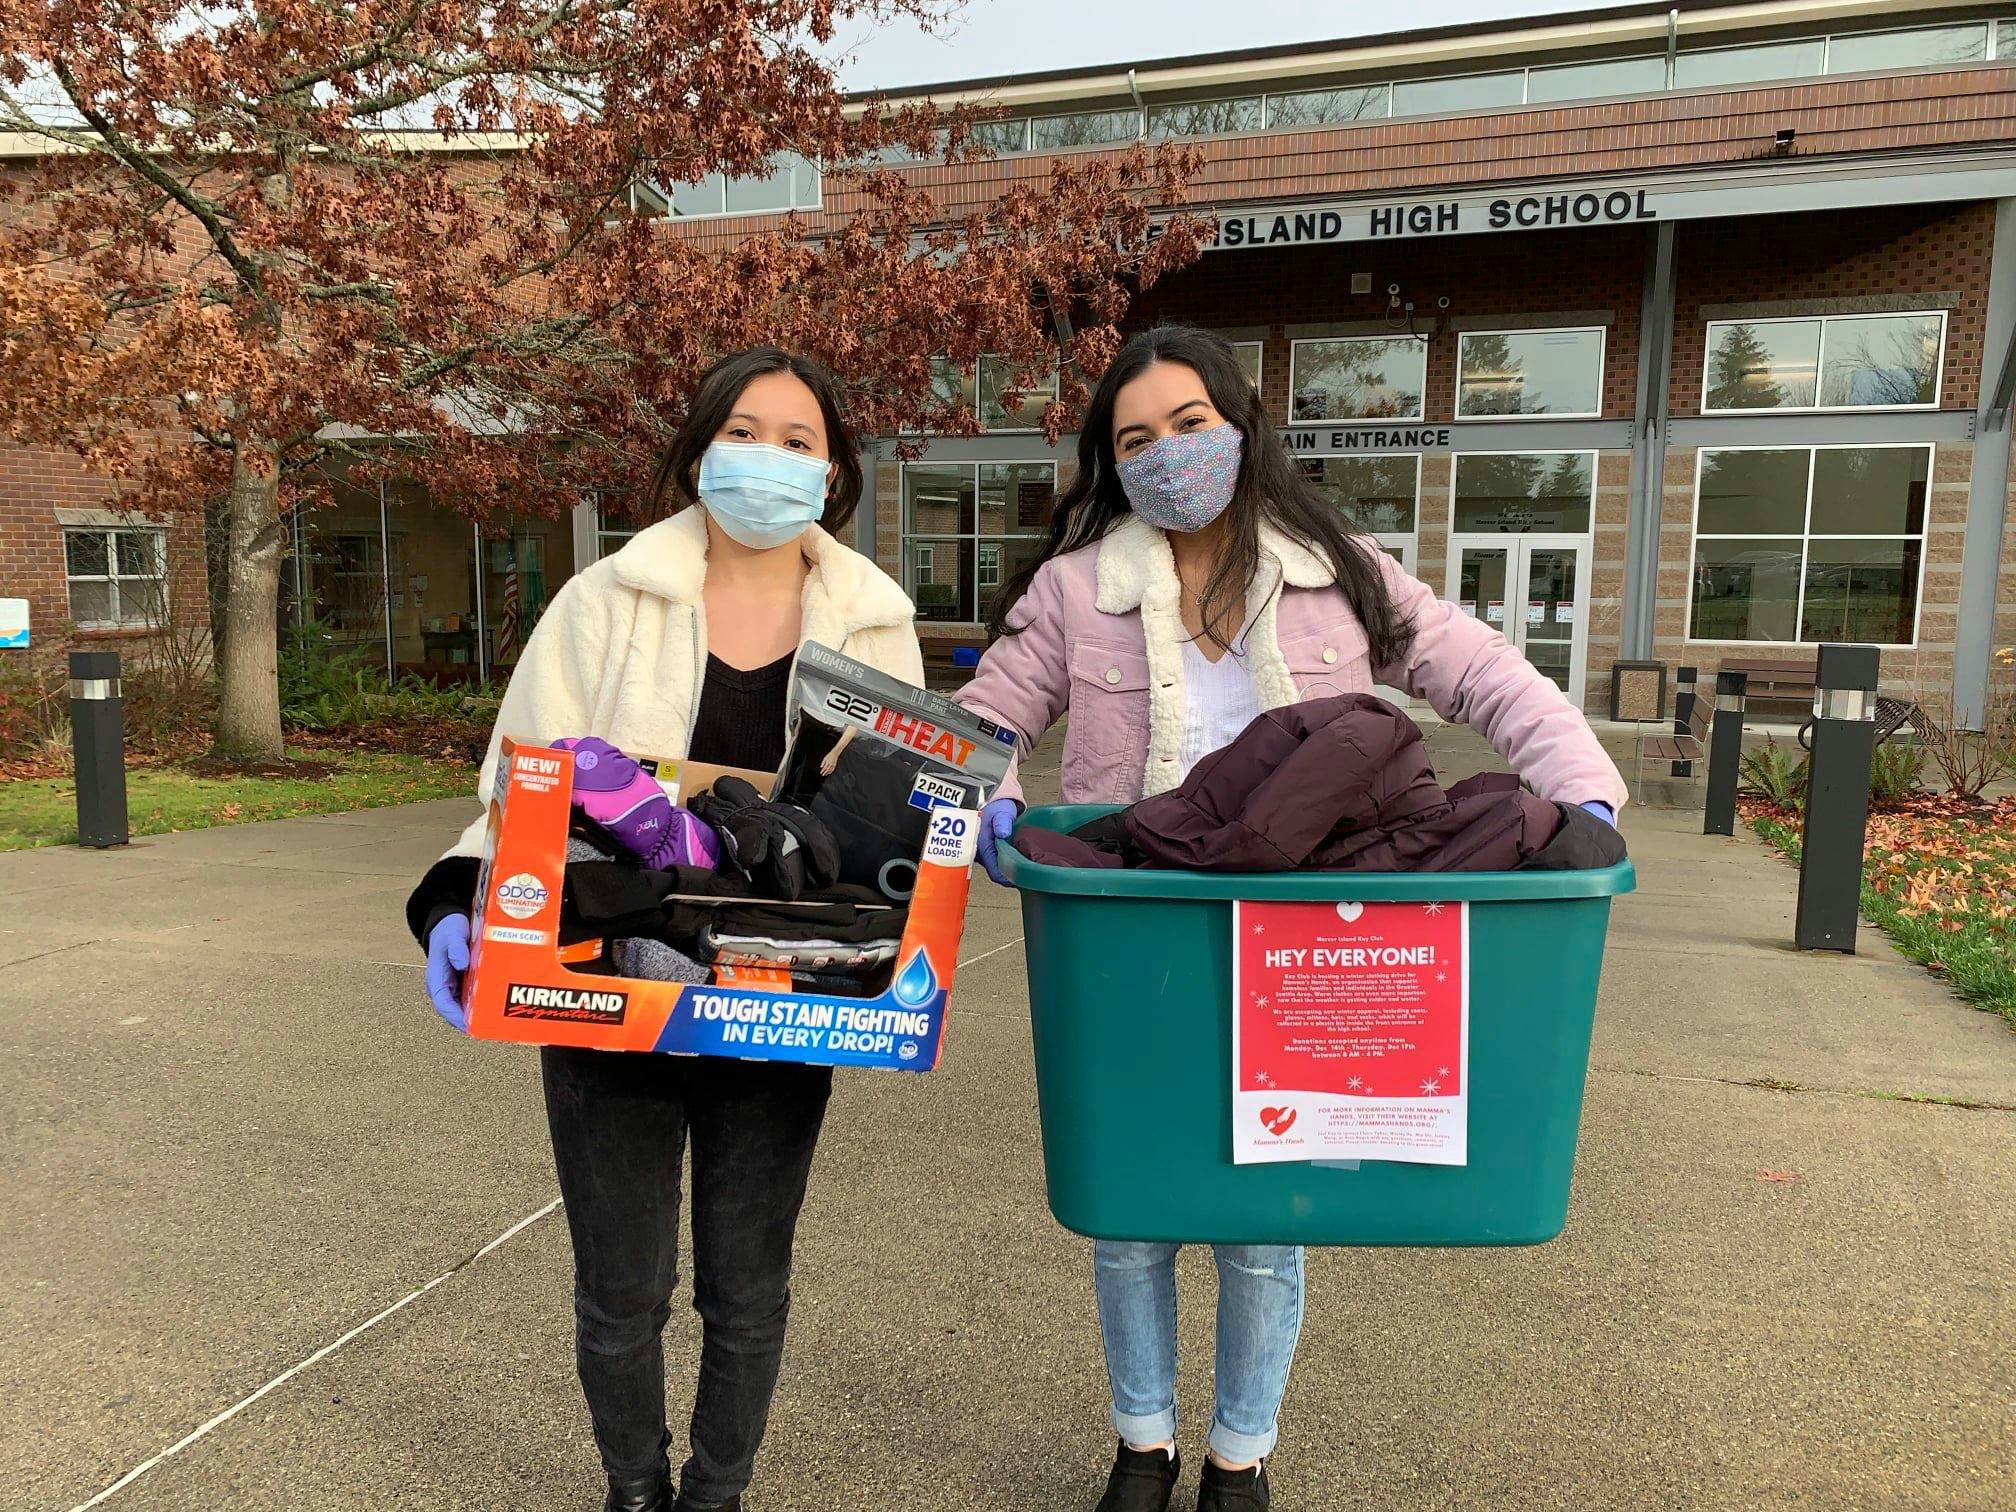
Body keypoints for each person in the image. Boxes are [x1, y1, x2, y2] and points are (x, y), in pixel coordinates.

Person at [955, 325, 1625, 1512]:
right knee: (1134, 1204)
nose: (1168, 452)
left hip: (1302, 929)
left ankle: (1239, 1455)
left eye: (1191, 422)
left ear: (1240, 425)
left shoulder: (1334, 565)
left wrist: (1581, 789)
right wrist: (991, 809)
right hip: (1142, 932)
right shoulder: (1077, 590)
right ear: (1112, 464)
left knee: (1272, 1203)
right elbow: (985, 718)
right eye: (1137, 437)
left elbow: (1483, 673)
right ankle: (1143, 1443)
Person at [405, 348, 924, 1512]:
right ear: (699, 453)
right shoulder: (604, 604)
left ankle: (717, 1493)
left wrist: (960, 824)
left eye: (799, 441)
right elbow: (520, 795)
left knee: (748, 1286)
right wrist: (451, 904)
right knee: (620, 1288)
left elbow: (905, 817)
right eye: (746, 432)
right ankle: (633, 1490)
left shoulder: (875, 626)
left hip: (779, 1004)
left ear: (832, 472)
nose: (771, 460)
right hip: (603, 1002)